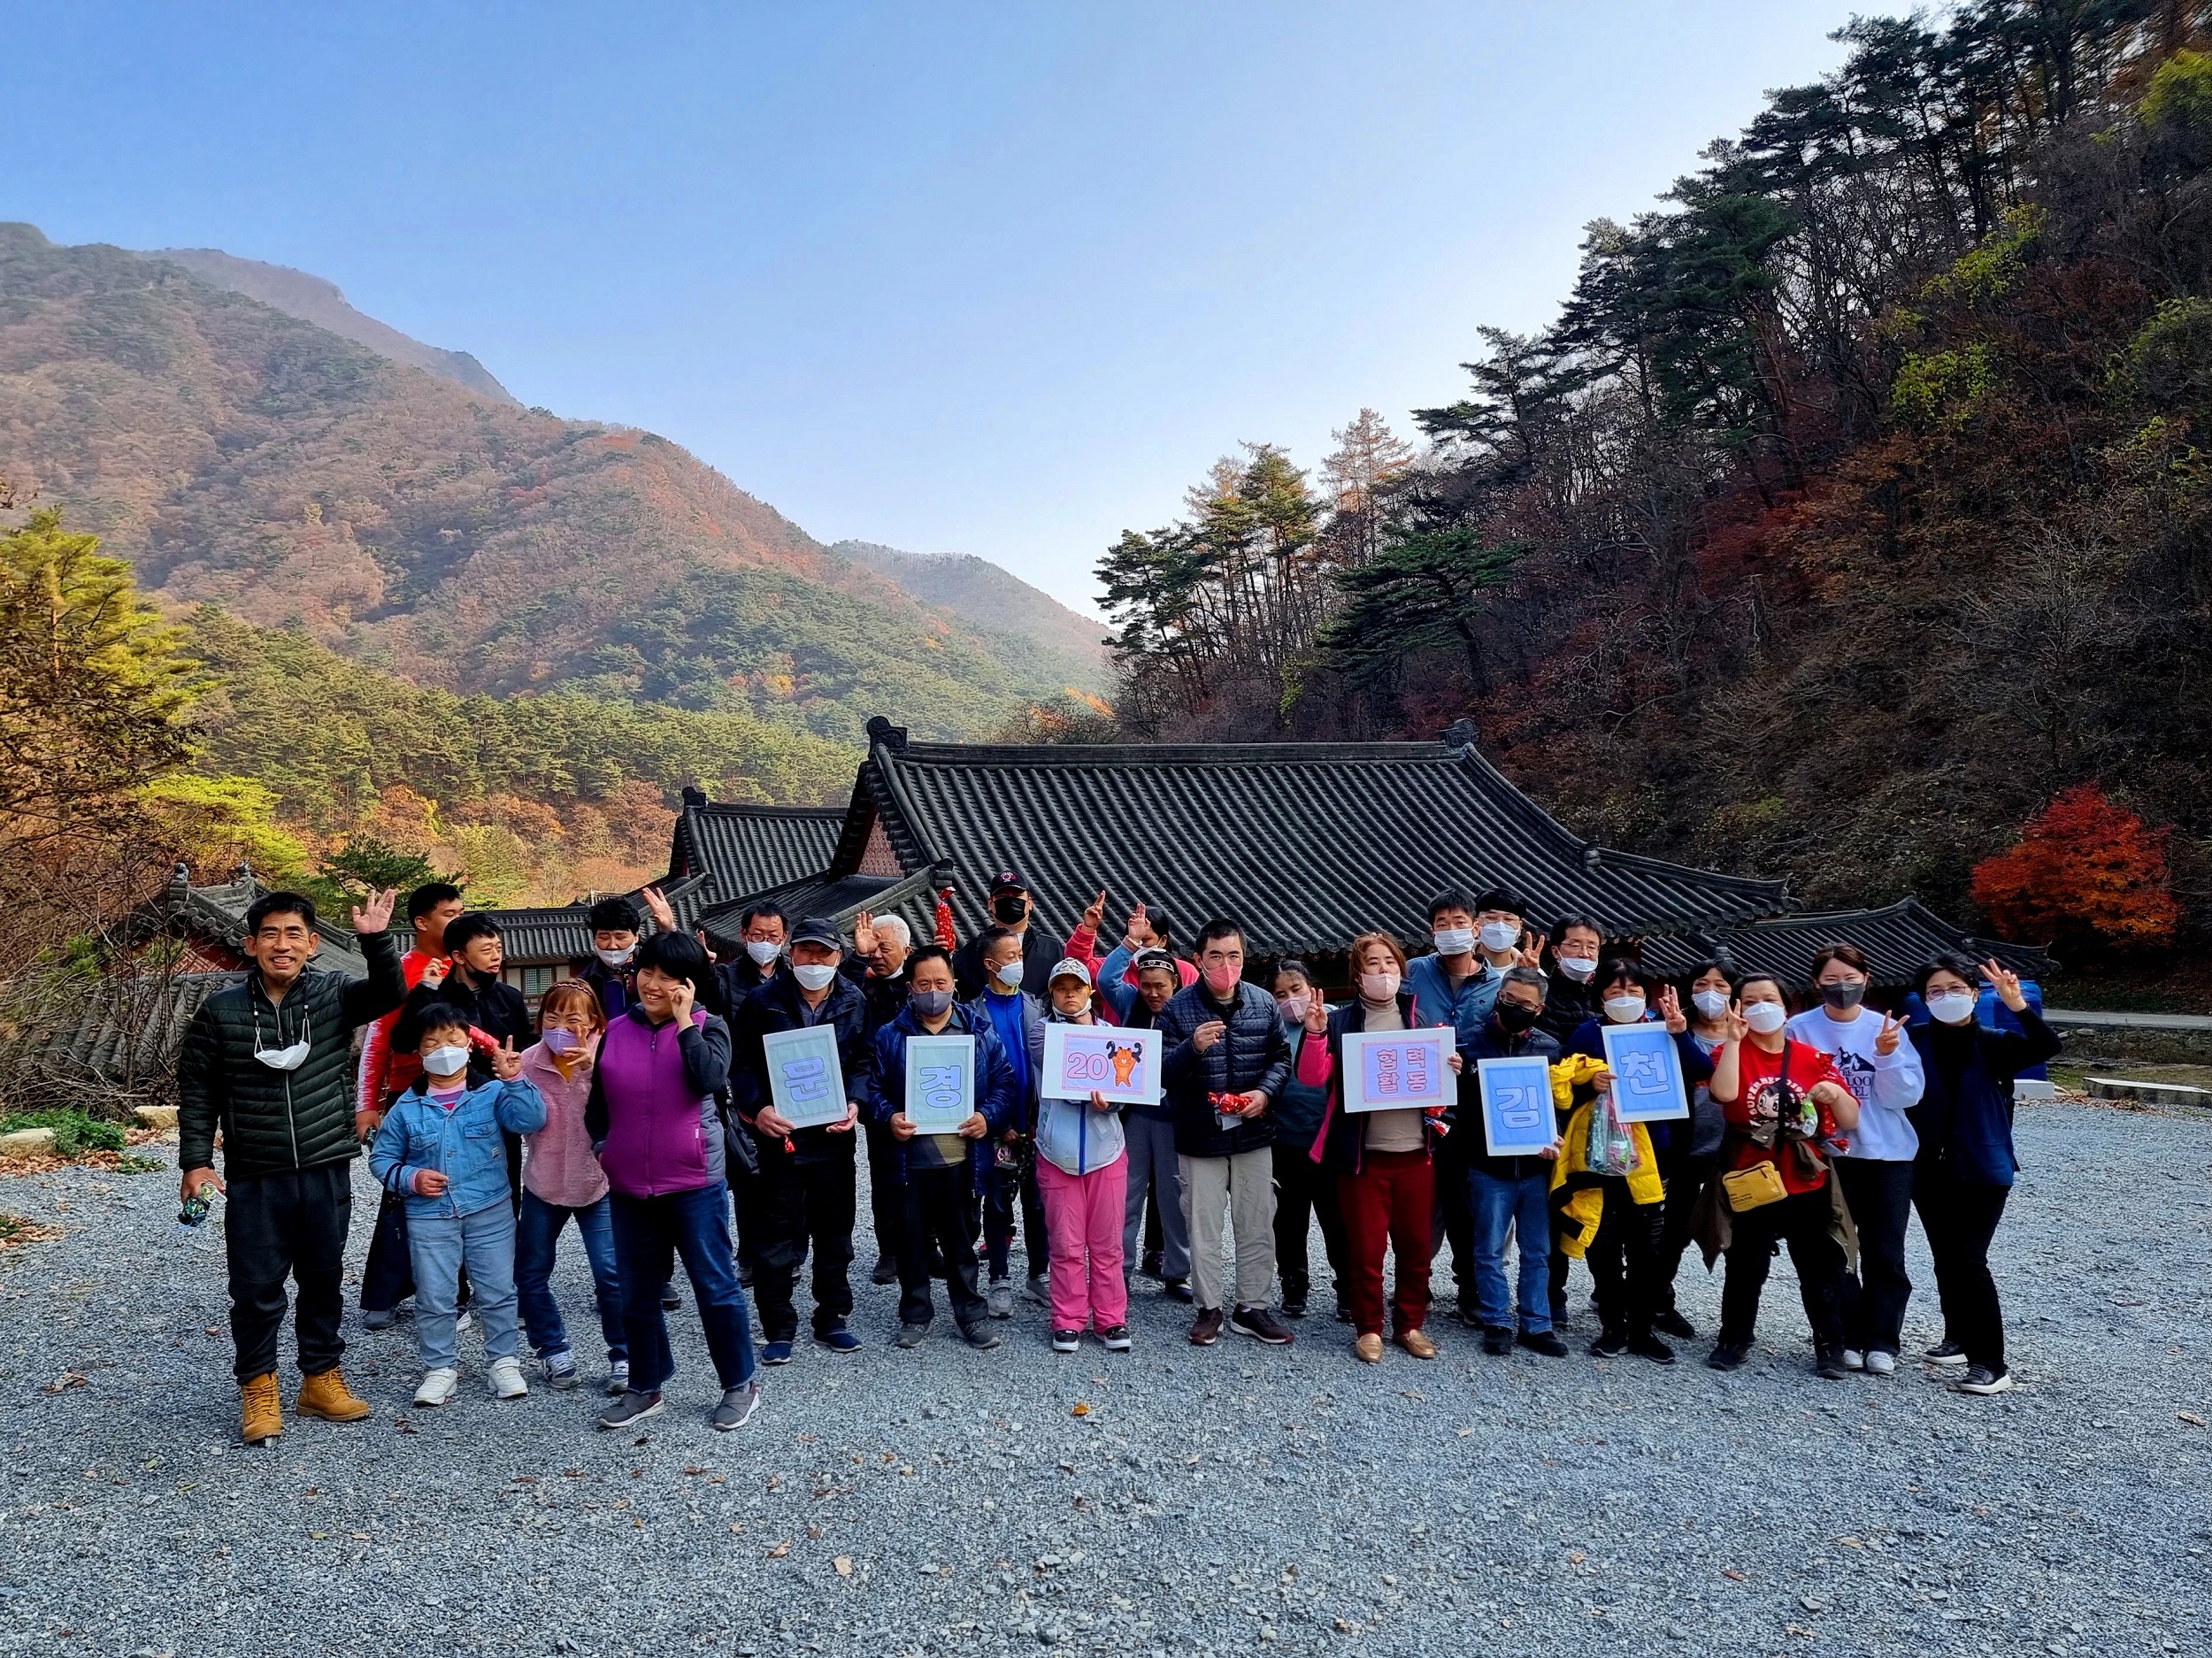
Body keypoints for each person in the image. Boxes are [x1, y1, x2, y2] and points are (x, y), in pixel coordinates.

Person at [176, 887, 407, 1445]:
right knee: (256, 1287)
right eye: (271, 934)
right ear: (251, 944)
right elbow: (199, 1090)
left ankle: (320, 1379)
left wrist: (377, 940)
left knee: (323, 1279)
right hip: (256, 1171)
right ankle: (258, 1386)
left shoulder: (334, 995)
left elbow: (389, 992)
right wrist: (196, 1162)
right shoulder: (221, 1011)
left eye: (294, 934)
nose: (282, 944)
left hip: (325, 1163)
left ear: (312, 943)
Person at [586, 931, 761, 1432]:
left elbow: (709, 1079)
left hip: (693, 1181)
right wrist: (604, 1148)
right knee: (636, 1291)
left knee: (714, 1284)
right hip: (629, 1186)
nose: (653, 985)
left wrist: (685, 1023)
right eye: (647, 972)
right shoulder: (617, 1030)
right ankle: (646, 1384)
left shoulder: (710, 1027)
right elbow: (596, 1106)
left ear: (689, 984)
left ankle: (740, 1382)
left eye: (667, 978)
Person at [368, 1006, 546, 1406]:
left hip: (490, 1211)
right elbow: (381, 1160)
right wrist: (411, 1178)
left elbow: (531, 1121)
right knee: (434, 1295)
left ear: (469, 1045)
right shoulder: (406, 1108)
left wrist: (515, 1078)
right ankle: (440, 1368)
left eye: (452, 1040)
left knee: (499, 1290)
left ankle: (504, 1362)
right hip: (429, 1217)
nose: (443, 1050)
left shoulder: (492, 1093)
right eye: (432, 1043)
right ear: (418, 1052)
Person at [1301, 933, 1460, 1362]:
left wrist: (1450, 1067)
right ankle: (1369, 1327)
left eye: (1390, 962)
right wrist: (1315, 1034)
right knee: (1366, 1250)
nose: (1383, 971)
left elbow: (1437, 1088)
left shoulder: (1419, 1019)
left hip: (1416, 1153)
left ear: (1401, 970)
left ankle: (1410, 1324)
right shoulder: (1340, 1023)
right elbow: (1313, 1077)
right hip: (1363, 1157)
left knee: (1416, 1248)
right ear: (1358, 974)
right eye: (1373, 963)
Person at [1908, 954, 2060, 1396]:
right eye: (1936, 991)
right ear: (1924, 999)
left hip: (1982, 1166)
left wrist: (2018, 1006)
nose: (1946, 997)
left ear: (1974, 995)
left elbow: (2048, 1047)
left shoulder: (1994, 1042)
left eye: (1956, 989)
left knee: (1968, 1259)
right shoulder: (1913, 1040)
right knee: (1945, 1255)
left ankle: (1990, 1362)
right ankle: (1957, 1336)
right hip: (1928, 1166)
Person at [1702, 972, 1862, 1378]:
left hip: (1804, 1175)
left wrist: (1836, 1094)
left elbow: (1850, 1119)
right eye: (1750, 1001)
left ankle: (1830, 1344)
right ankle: (1734, 1337)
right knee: (1745, 1263)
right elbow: (1724, 1095)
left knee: (1819, 1265)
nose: (1760, 1007)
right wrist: (1734, 1040)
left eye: (1769, 999)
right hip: (1750, 1175)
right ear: (1736, 1008)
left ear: (1786, 1006)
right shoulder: (1728, 1051)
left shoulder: (1813, 1058)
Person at [1557, 960, 1713, 1364]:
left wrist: (1680, 1035)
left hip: (1652, 1154)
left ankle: (1642, 1328)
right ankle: (1613, 1325)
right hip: (1598, 1154)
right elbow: (1561, 1088)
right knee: (1604, 1242)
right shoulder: (1587, 1033)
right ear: (1601, 998)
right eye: (1615, 991)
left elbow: (1702, 1070)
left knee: (1647, 1244)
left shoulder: (1662, 1028)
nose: (1624, 998)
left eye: (1633, 991)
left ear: (1646, 996)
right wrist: (1588, 1083)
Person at [866, 945, 1020, 1349]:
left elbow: (1005, 1084)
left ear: (954, 983)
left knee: (961, 1240)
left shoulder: (978, 1032)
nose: (932, 991)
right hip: (909, 1159)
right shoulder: (890, 1035)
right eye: (923, 984)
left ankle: (970, 1313)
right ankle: (915, 1312)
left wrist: (987, 1116)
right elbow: (873, 1090)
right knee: (911, 1240)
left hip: (961, 1157)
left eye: (940, 982)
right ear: (909, 988)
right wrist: (889, 1117)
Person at [733, 917, 872, 1364]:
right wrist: (758, 1108)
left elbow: (863, 1061)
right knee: (775, 1235)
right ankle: (778, 1326)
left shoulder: (853, 1000)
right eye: (806, 951)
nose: (814, 961)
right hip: (780, 1136)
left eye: (824, 953)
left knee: (836, 1232)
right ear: (791, 954)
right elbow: (742, 1062)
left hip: (833, 1137)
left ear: (839, 958)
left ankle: (832, 1317)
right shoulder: (762, 1001)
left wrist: (855, 1102)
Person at [1786, 943, 1924, 1375]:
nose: (1841, 987)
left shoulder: (1886, 1028)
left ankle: (1883, 1340)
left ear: (1866, 979)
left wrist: (1886, 1054)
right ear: (1816, 983)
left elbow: (1907, 1096)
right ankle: (1845, 1334)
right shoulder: (1799, 1029)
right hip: (1827, 1156)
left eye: (1850, 979)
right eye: (1831, 979)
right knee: (1833, 1249)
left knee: (1885, 1249)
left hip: (1886, 1154)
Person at [1157, 917, 1294, 1347]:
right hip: (1200, 1134)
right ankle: (1209, 1307)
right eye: (1215, 956)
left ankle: (1253, 1307)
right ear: (1198, 960)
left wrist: (1265, 1094)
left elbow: (1281, 1057)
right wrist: (1192, 1047)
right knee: (1203, 1226)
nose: (1226, 965)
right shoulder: (1177, 1009)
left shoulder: (1263, 1002)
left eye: (1233, 956)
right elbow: (1159, 1072)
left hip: (1253, 1130)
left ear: (1244, 957)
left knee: (1257, 1222)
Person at [1406, 889, 1527, 1325]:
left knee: (1466, 1201)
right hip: (1417, 1103)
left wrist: (1471, 1061)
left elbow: (1510, 1041)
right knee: (1418, 1200)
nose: (1452, 931)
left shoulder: (1499, 986)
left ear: (1475, 928)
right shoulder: (1413, 973)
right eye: (1442, 924)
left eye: (1460, 923)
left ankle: (1470, 1288)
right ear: (1431, 931)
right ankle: (1414, 1283)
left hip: (1472, 1109)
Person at [356, 880, 465, 1330]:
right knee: (403, 1194)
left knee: (458, 1190)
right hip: (411, 1095)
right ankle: (384, 1293)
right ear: (422, 922)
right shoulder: (403, 971)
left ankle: (457, 1292)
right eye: (449, 915)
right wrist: (367, 1105)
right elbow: (377, 1042)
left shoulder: (464, 963)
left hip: (464, 1092)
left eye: (461, 913)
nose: (458, 921)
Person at [514, 980, 629, 1394]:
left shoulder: (611, 1054)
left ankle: (624, 1354)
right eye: (552, 1017)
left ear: (595, 1022)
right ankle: (551, 1349)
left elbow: (633, 1105)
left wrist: (599, 1067)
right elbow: (518, 1121)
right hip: (543, 1181)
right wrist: (510, 1082)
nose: (561, 1027)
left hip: (598, 1181)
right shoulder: (527, 1062)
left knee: (611, 1273)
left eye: (573, 1019)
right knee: (531, 1272)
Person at [1458, 967, 1578, 1358]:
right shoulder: (1467, 1043)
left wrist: (1556, 1135)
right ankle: (1496, 1321)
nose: (1513, 1007)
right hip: (1487, 1166)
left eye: (1524, 1004)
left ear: (1539, 1008)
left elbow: (1560, 1104)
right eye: (1508, 999)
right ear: (1499, 996)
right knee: (1489, 1248)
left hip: (1535, 1168)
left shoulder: (1550, 1048)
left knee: (1538, 1250)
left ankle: (1537, 1324)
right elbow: (1455, 1106)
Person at [1035, 958, 1132, 1352]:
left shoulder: (1114, 1036)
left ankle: (1111, 1318)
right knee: (1066, 1243)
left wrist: (1113, 1103)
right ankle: (1068, 1318)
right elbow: (1055, 1066)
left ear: (1090, 991)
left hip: (1106, 1151)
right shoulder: (1041, 1031)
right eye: (1061, 988)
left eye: (1077, 987)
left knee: (1108, 1244)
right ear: (1052, 994)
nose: (1069, 994)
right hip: (1056, 1152)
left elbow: (1125, 1089)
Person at [970, 925, 1052, 1316]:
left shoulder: (1037, 1008)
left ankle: (1039, 1275)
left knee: (1038, 1205)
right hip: (996, 1129)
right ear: (990, 964)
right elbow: (972, 1077)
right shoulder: (972, 1014)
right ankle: (999, 1278)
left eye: (1020, 956)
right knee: (998, 1205)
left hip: (1036, 1125)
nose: (1019, 962)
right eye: (1010, 957)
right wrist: (997, 1123)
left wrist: (1038, 1118)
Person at [1650, 959, 1734, 1340]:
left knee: (1738, 1234)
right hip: (1683, 1148)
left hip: (1732, 1150)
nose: (1710, 992)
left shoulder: (1748, 1033)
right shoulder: (1669, 1030)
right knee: (1672, 1229)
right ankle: (1658, 1299)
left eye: (1721, 985)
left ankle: (1736, 1323)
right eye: (1702, 984)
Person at [1270, 962, 1346, 1321]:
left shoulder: (1337, 1021)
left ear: (1312, 987)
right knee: (1288, 1220)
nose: (1290, 999)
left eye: (1296, 989)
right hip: (1284, 1139)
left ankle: (1348, 1288)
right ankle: (1293, 1284)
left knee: (1338, 1219)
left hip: (1330, 1139)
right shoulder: (1270, 1027)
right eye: (1280, 994)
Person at [1118, 948, 1194, 1302]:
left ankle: (1178, 1271)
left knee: (1174, 1196)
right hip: (1135, 1116)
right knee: (1127, 1195)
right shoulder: (1131, 1011)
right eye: (1146, 985)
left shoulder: (1188, 1013)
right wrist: (1129, 944)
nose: (1152, 993)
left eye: (1160, 986)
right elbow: (1107, 979)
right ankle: (1119, 1270)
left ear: (1175, 983)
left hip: (1173, 1118)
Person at [848, 911, 915, 1286]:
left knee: (927, 1174)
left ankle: (926, 1244)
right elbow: (842, 998)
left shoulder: (920, 983)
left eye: (883, 947)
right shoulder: (862, 988)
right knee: (885, 1175)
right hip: (880, 1099)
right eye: (871, 947)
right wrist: (859, 957)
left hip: (923, 1093)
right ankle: (888, 1249)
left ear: (906, 950)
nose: (876, 954)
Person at [953, 871, 1061, 1000]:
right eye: (1002, 896)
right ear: (990, 903)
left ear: (1030, 903)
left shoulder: (1052, 949)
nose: (1010, 901)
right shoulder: (972, 952)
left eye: (1017, 895)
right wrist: (943, 956)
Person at [572, 894, 645, 1020]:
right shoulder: (585, 981)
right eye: (604, 938)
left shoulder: (654, 965)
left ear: (636, 936)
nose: (612, 945)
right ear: (594, 939)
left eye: (620, 937)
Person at [1537, 916, 1606, 1044]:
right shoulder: (1540, 993)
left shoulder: (1606, 994)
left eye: (1591, 947)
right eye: (1575, 946)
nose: (1584, 954)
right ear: (1556, 951)